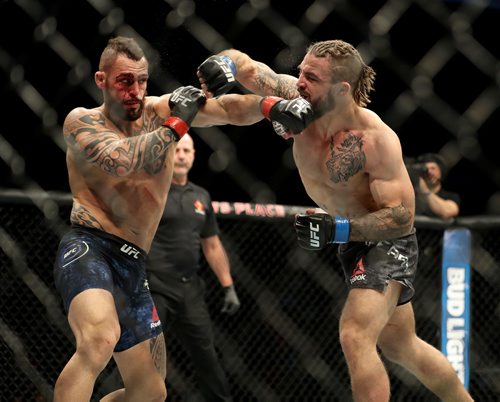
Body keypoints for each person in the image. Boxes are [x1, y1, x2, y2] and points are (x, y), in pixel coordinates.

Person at [197, 40, 473, 401]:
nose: (298, 82)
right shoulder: (299, 100)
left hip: (386, 243)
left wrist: (339, 228)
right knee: (401, 345)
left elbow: (402, 219)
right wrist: (222, 64)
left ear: (342, 89)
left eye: (311, 77)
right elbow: (247, 65)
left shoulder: (375, 140)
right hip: (349, 239)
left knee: (355, 334)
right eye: (300, 72)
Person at [52, 36, 312, 402]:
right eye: (125, 81)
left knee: (150, 393)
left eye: (142, 80)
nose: (136, 91)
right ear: (101, 80)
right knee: (98, 340)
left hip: (134, 263)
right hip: (89, 247)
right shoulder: (81, 122)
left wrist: (272, 106)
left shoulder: (159, 109)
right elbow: (125, 160)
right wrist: (176, 124)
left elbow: (228, 108)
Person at [147, 133, 239, 402]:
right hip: (154, 286)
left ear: (194, 155)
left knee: (207, 355)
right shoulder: (150, 190)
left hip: (190, 288)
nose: (182, 155)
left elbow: (212, 245)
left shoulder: (201, 196)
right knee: (143, 356)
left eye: (187, 150)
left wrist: (228, 285)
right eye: (177, 150)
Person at [412, 153, 460, 219]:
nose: (429, 172)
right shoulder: (412, 196)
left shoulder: (451, 196)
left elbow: (447, 212)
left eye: (433, 168)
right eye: (425, 169)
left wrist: (423, 188)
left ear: (441, 171)